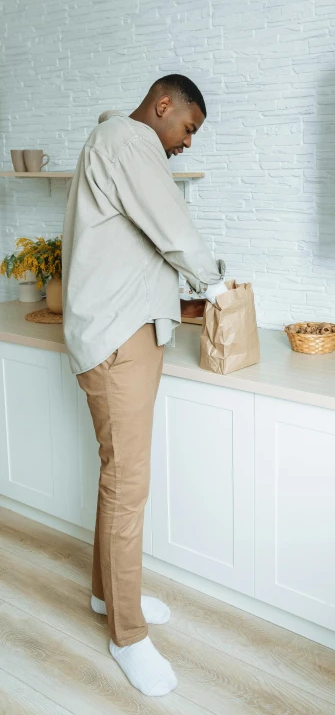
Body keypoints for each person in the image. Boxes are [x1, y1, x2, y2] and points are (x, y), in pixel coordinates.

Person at [61, 74, 227, 697]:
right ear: (163, 105)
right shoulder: (131, 143)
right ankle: (127, 636)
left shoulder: (112, 141)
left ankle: (108, 597)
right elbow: (174, 229)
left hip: (120, 335)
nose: (187, 143)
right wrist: (215, 284)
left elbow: (135, 248)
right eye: (187, 128)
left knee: (116, 478)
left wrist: (179, 298)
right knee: (128, 486)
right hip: (118, 342)